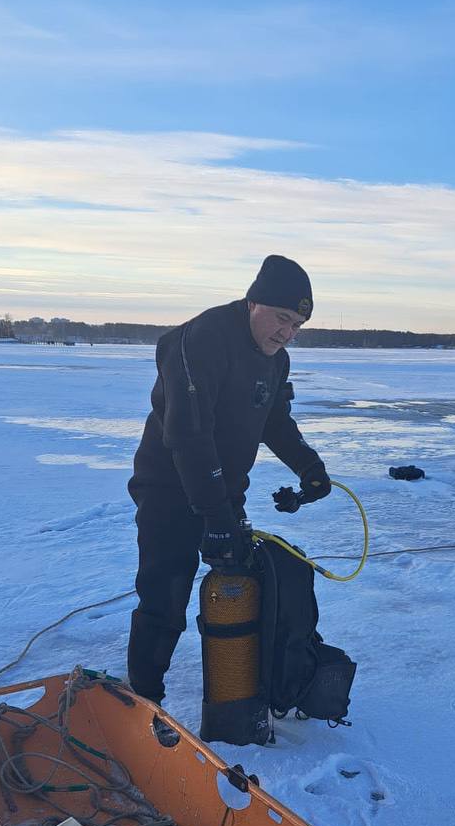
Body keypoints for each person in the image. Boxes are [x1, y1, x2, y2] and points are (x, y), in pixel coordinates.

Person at [126, 255, 331, 704]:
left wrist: (309, 467)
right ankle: (144, 699)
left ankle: (241, 690)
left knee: (242, 588)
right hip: (168, 491)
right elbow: (188, 433)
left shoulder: (276, 361)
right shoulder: (202, 340)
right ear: (254, 301)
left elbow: (275, 420)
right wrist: (214, 513)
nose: (287, 332)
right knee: (166, 595)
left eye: (297, 325)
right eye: (282, 318)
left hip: (222, 493)